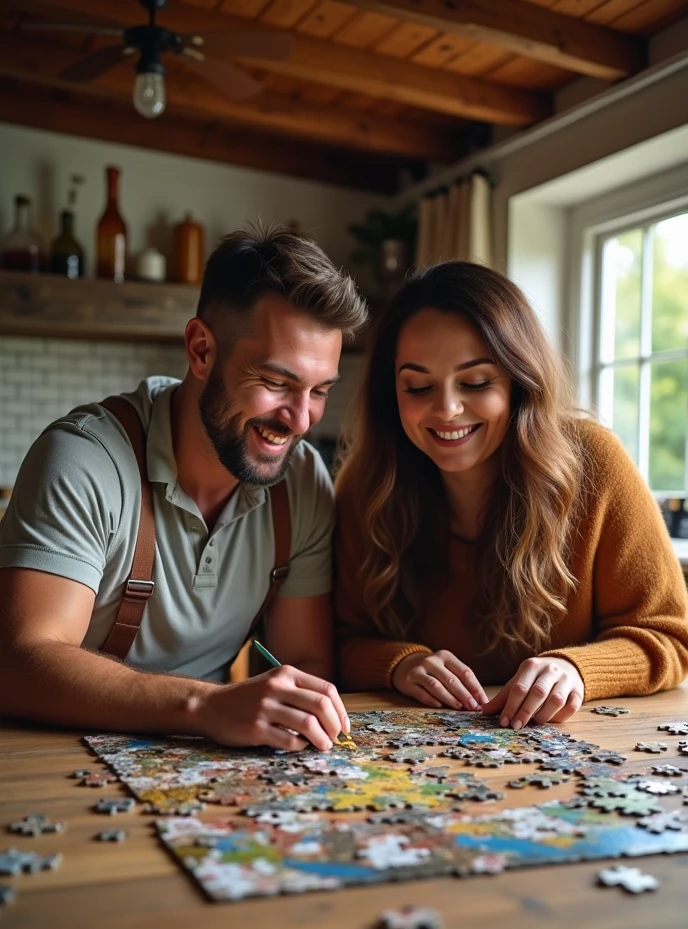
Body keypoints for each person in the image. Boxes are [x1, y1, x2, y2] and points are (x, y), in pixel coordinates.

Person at [0, 225, 368, 751]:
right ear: (200, 349)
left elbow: (304, 662)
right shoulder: (84, 459)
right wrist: (203, 705)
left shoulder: (302, 481)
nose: (301, 420)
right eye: (276, 383)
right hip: (53, 761)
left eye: (319, 392)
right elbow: (19, 662)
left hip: (206, 766)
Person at [334, 260, 688, 730]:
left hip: (577, 752)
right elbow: (339, 640)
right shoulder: (368, 481)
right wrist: (399, 663)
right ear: (391, 393)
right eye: (418, 387)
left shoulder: (595, 464)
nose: (447, 409)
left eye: (476, 382)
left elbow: (668, 638)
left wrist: (575, 669)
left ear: (519, 381)